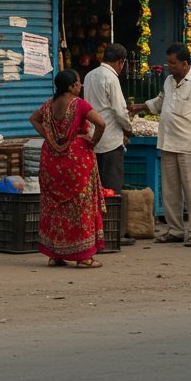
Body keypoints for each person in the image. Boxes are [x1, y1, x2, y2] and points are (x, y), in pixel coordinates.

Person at [128, 44, 191, 247]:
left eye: (172, 63)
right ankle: (175, 230)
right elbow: (160, 102)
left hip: (188, 145)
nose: (168, 66)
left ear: (184, 64)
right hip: (168, 143)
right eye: (168, 62)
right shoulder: (168, 81)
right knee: (170, 191)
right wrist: (139, 106)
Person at [31, 70, 108, 267]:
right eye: (79, 83)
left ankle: (55, 255)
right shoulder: (79, 104)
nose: (80, 86)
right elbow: (101, 123)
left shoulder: (48, 105)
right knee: (80, 206)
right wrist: (92, 142)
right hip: (76, 161)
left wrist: (49, 137)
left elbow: (33, 119)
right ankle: (84, 257)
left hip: (51, 161)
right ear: (72, 86)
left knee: (54, 206)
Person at [84, 43, 135, 245]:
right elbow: (120, 111)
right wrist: (129, 128)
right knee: (112, 188)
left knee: (96, 189)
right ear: (120, 62)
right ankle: (114, 232)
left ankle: (96, 231)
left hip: (93, 138)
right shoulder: (111, 77)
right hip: (111, 139)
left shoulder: (90, 76)